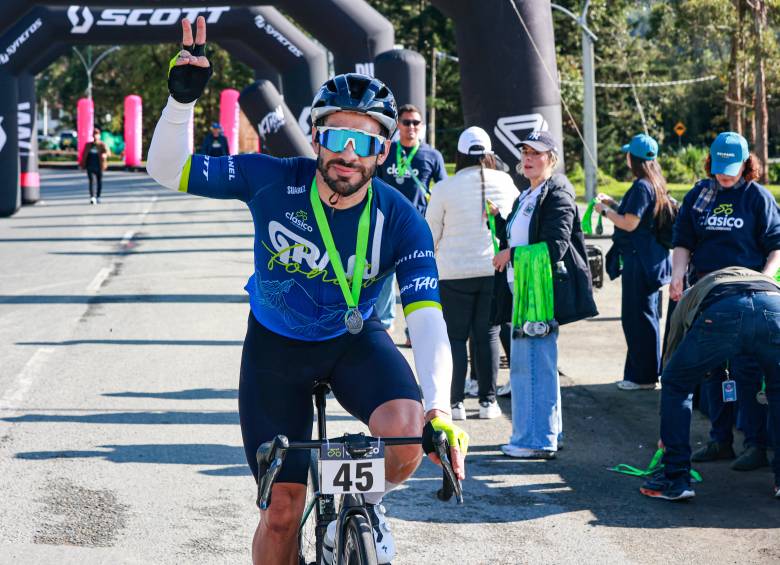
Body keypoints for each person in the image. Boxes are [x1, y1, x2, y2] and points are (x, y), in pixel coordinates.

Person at [145, 18, 468, 565]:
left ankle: (362, 502)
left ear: (382, 151)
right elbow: (167, 168)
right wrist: (180, 103)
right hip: (276, 350)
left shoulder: (402, 219)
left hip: (354, 344)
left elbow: (428, 319)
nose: (348, 153)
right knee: (282, 512)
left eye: (364, 140)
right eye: (337, 136)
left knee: (409, 434)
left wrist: (441, 408)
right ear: (316, 136)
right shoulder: (272, 179)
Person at [669, 132, 780, 471]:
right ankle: (720, 440)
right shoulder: (700, 196)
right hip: (708, 296)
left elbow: (776, 246)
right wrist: (677, 274)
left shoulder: (758, 198)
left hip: (748, 296)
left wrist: (766, 276)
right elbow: (683, 241)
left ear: (748, 163)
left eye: (731, 168)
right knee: (712, 372)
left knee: (747, 371)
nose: (724, 175)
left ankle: (756, 444)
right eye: (719, 168)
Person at [491, 131, 598, 458]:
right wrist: (497, 220)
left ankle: (536, 441)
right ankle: (548, 433)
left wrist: (512, 255)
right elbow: (519, 234)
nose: (528, 158)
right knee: (531, 365)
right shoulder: (530, 192)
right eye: (524, 151)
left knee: (532, 367)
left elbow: (556, 246)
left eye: (536, 153)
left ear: (551, 158)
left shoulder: (558, 192)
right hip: (524, 288)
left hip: (539, 291)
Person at [640, 267, 780, 501]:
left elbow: (672, 361)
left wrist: (667, 425)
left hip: (722, 312)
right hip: (775, 307)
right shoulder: (765, 282)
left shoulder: (690, 295)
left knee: (677, 384)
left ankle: (675, 479)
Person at [425, 126, 518, 420]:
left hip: (453, 272)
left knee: (454, 337)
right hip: (494, 268)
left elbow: (430, 233)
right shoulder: (505, 182)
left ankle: (455, 404)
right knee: (487, 334)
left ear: (461, 154)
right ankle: (488, 402)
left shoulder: (444, 188)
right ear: (489, 153)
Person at [595, 134, 673, 391]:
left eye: (628, 153)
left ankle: (643, 377)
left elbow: (630, 223)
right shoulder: (654, 183)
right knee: (646, 316)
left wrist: (604, 211)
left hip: (641, 263)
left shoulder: (641, 186)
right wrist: (614, 203)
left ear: (635, 159)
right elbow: (635, 215)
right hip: (652, 261)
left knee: (637, 318)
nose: (626, 156)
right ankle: (647, 373)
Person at [374, 104, 447, 339]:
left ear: (422, 127)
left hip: (417, 230)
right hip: (386, 226)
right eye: (406, 122)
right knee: (383, 278)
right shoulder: (386, 152)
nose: (411, 127)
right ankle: (385, 324)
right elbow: (373, 185)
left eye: (416, 123)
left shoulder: (431, 155)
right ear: (398, 127)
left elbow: (443, 189)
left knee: (415, 281)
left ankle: (413, 331)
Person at [78, 127, 110, 204]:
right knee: (91, 181)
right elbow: (83, 155)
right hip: (90, 165)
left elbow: (108, 152)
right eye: (94, 134)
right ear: (92, 136)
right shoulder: (88, 145)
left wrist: (105, 155)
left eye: (97, 134)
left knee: (99, 181)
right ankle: (92, 197)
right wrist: (82, 164)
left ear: (99, 135)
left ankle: (98, 196)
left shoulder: (102, 144)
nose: (96, 136)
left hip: (99, 165)